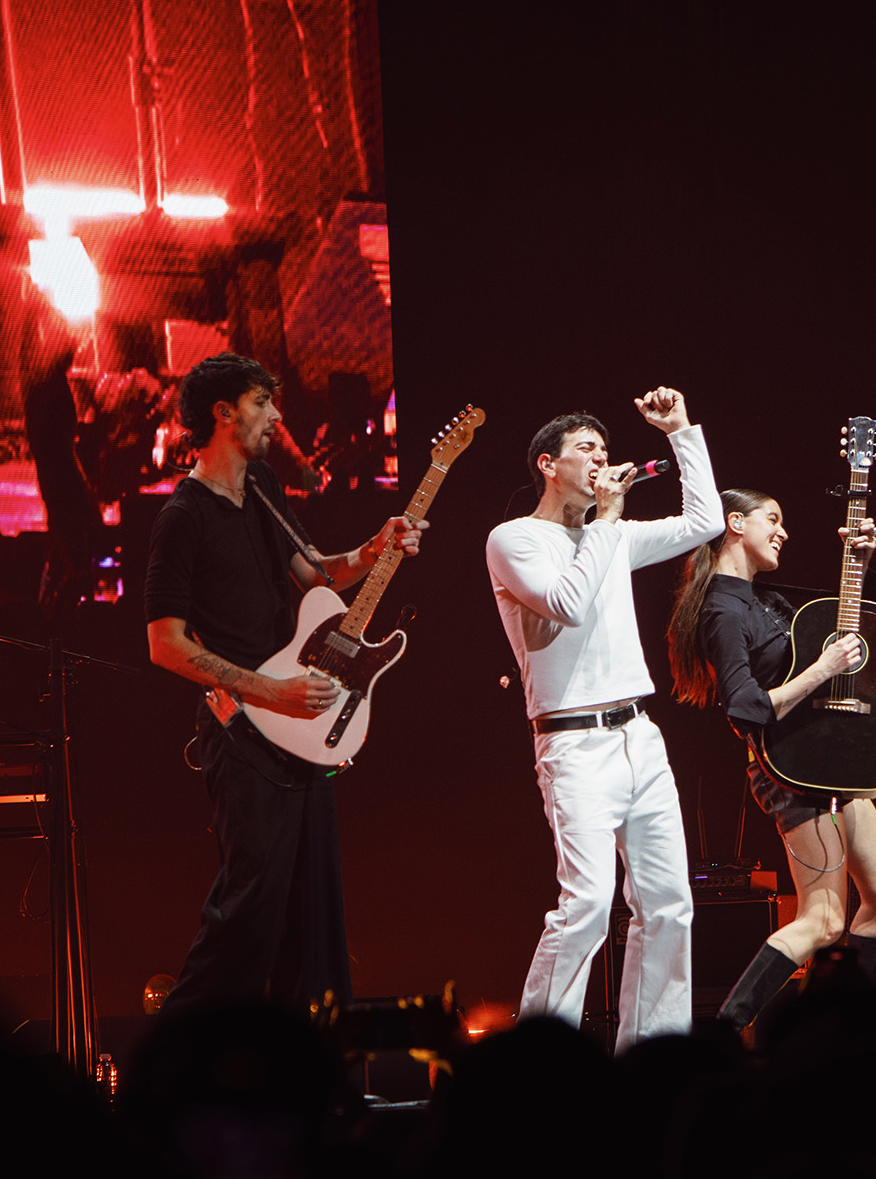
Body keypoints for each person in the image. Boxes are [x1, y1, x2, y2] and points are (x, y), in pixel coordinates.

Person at [144, 352, 425, 1017]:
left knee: (312, 915)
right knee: (249, 912)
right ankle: (176, 1064)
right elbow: (164, 644)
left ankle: (309, 1081)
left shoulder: (264, 487)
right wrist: (270, 694)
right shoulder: (183, 517)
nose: (275, 417)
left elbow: (318, 576)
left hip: (300, 731)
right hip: (242, 736)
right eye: (263, 404)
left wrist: (374, 548)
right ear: (224, 412)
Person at [485, 390, 718, 1051]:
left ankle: (653, 1055)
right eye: (586, 448)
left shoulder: (611, 534)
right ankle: (540, 1058)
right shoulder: (513, 539)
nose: (601, 459)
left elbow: (703, 521)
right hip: (573, 744)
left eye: (606, 451)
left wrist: (680, 431)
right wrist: (608, 519)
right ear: (547, 464)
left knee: (670, 902)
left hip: (639, 735)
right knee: (586, 903)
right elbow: (565, 602)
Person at [666, 490, 876, 1027]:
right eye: (771, 519)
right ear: (734, 524)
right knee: (822, 920)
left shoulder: (764, 598)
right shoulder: (724, 609)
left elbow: (851, 617)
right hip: (793, 771)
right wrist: (821, 671)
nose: (783, 532)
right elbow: (745, 707)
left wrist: (862, 562)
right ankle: (725, 1032)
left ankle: (852, 1026)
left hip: (833, 767)